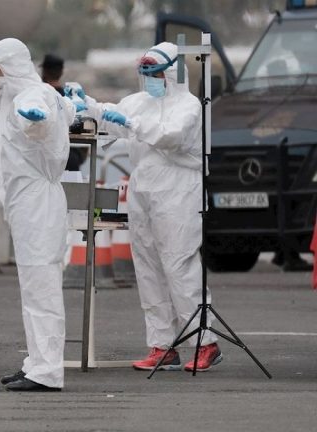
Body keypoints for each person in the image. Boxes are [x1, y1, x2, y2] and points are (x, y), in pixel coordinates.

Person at [88, 42, 223, 372]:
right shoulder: (138, 102)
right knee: (147, 268)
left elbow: (171, 137)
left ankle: (206, 342)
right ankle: (162, 345)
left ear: (174, 73)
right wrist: (85, 106)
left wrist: (132, 125)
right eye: (146, 74)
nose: (151, 80)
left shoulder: (189, 106)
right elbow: (113, 122)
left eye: (157, 73)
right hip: (143, 190)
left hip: (178, 189)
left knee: (179, 266)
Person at [0, 39, 75, 392]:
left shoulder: (32, 96)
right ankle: (36, 362)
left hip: (37, 203)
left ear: (11, 66)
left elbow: (39, 117)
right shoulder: (15, 96)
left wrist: (34, 121)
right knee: (32, 289)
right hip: (27, 203)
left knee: (42, 289)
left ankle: (48, 371)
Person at [40, 53, 87, 171]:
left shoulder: (38, 96)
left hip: (46, 157)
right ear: (61, 72)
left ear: (44, 72)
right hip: (72, 155)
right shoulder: (71, 96)